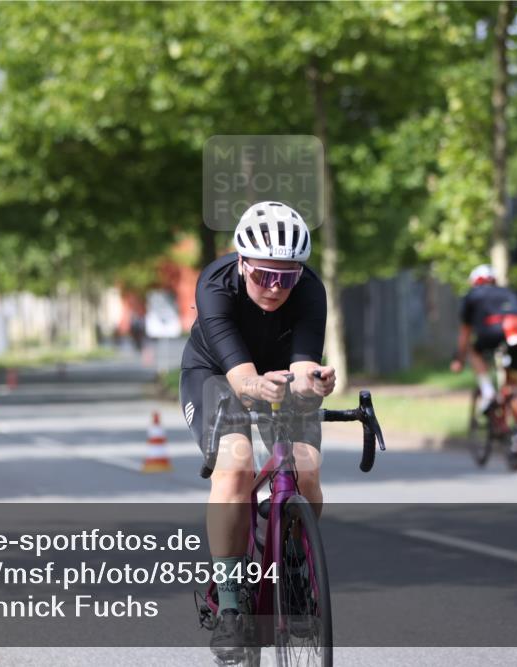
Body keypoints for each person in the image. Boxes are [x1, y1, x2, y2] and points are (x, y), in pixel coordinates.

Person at [179, 201, 336, 663]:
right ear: (242, 262)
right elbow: (242, 378)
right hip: (216, 372)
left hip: (278, 370)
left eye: (285, 277)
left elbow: (304, 364)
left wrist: (318, 381)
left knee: (306, 472)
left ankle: (294, 568)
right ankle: (230, 606)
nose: (273, 287)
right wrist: (257, 385)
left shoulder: (310, 290)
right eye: (263, 274)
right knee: (235, 463)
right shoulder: (214, 284)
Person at [450, 264, 517, 438]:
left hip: (494, 332)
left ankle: (487, 392)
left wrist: (459, 358)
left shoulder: (472, 296)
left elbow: (465, 332)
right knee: (513, 383)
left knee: (475, 351)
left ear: (474, 282)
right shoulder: (507, 292)